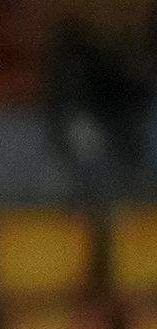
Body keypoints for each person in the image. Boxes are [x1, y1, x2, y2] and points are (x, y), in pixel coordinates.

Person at [44, 0, 157, 191]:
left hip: (112, 119)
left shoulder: (106, 69)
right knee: (86, 146)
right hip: (83, 121)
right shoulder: (76, 69)